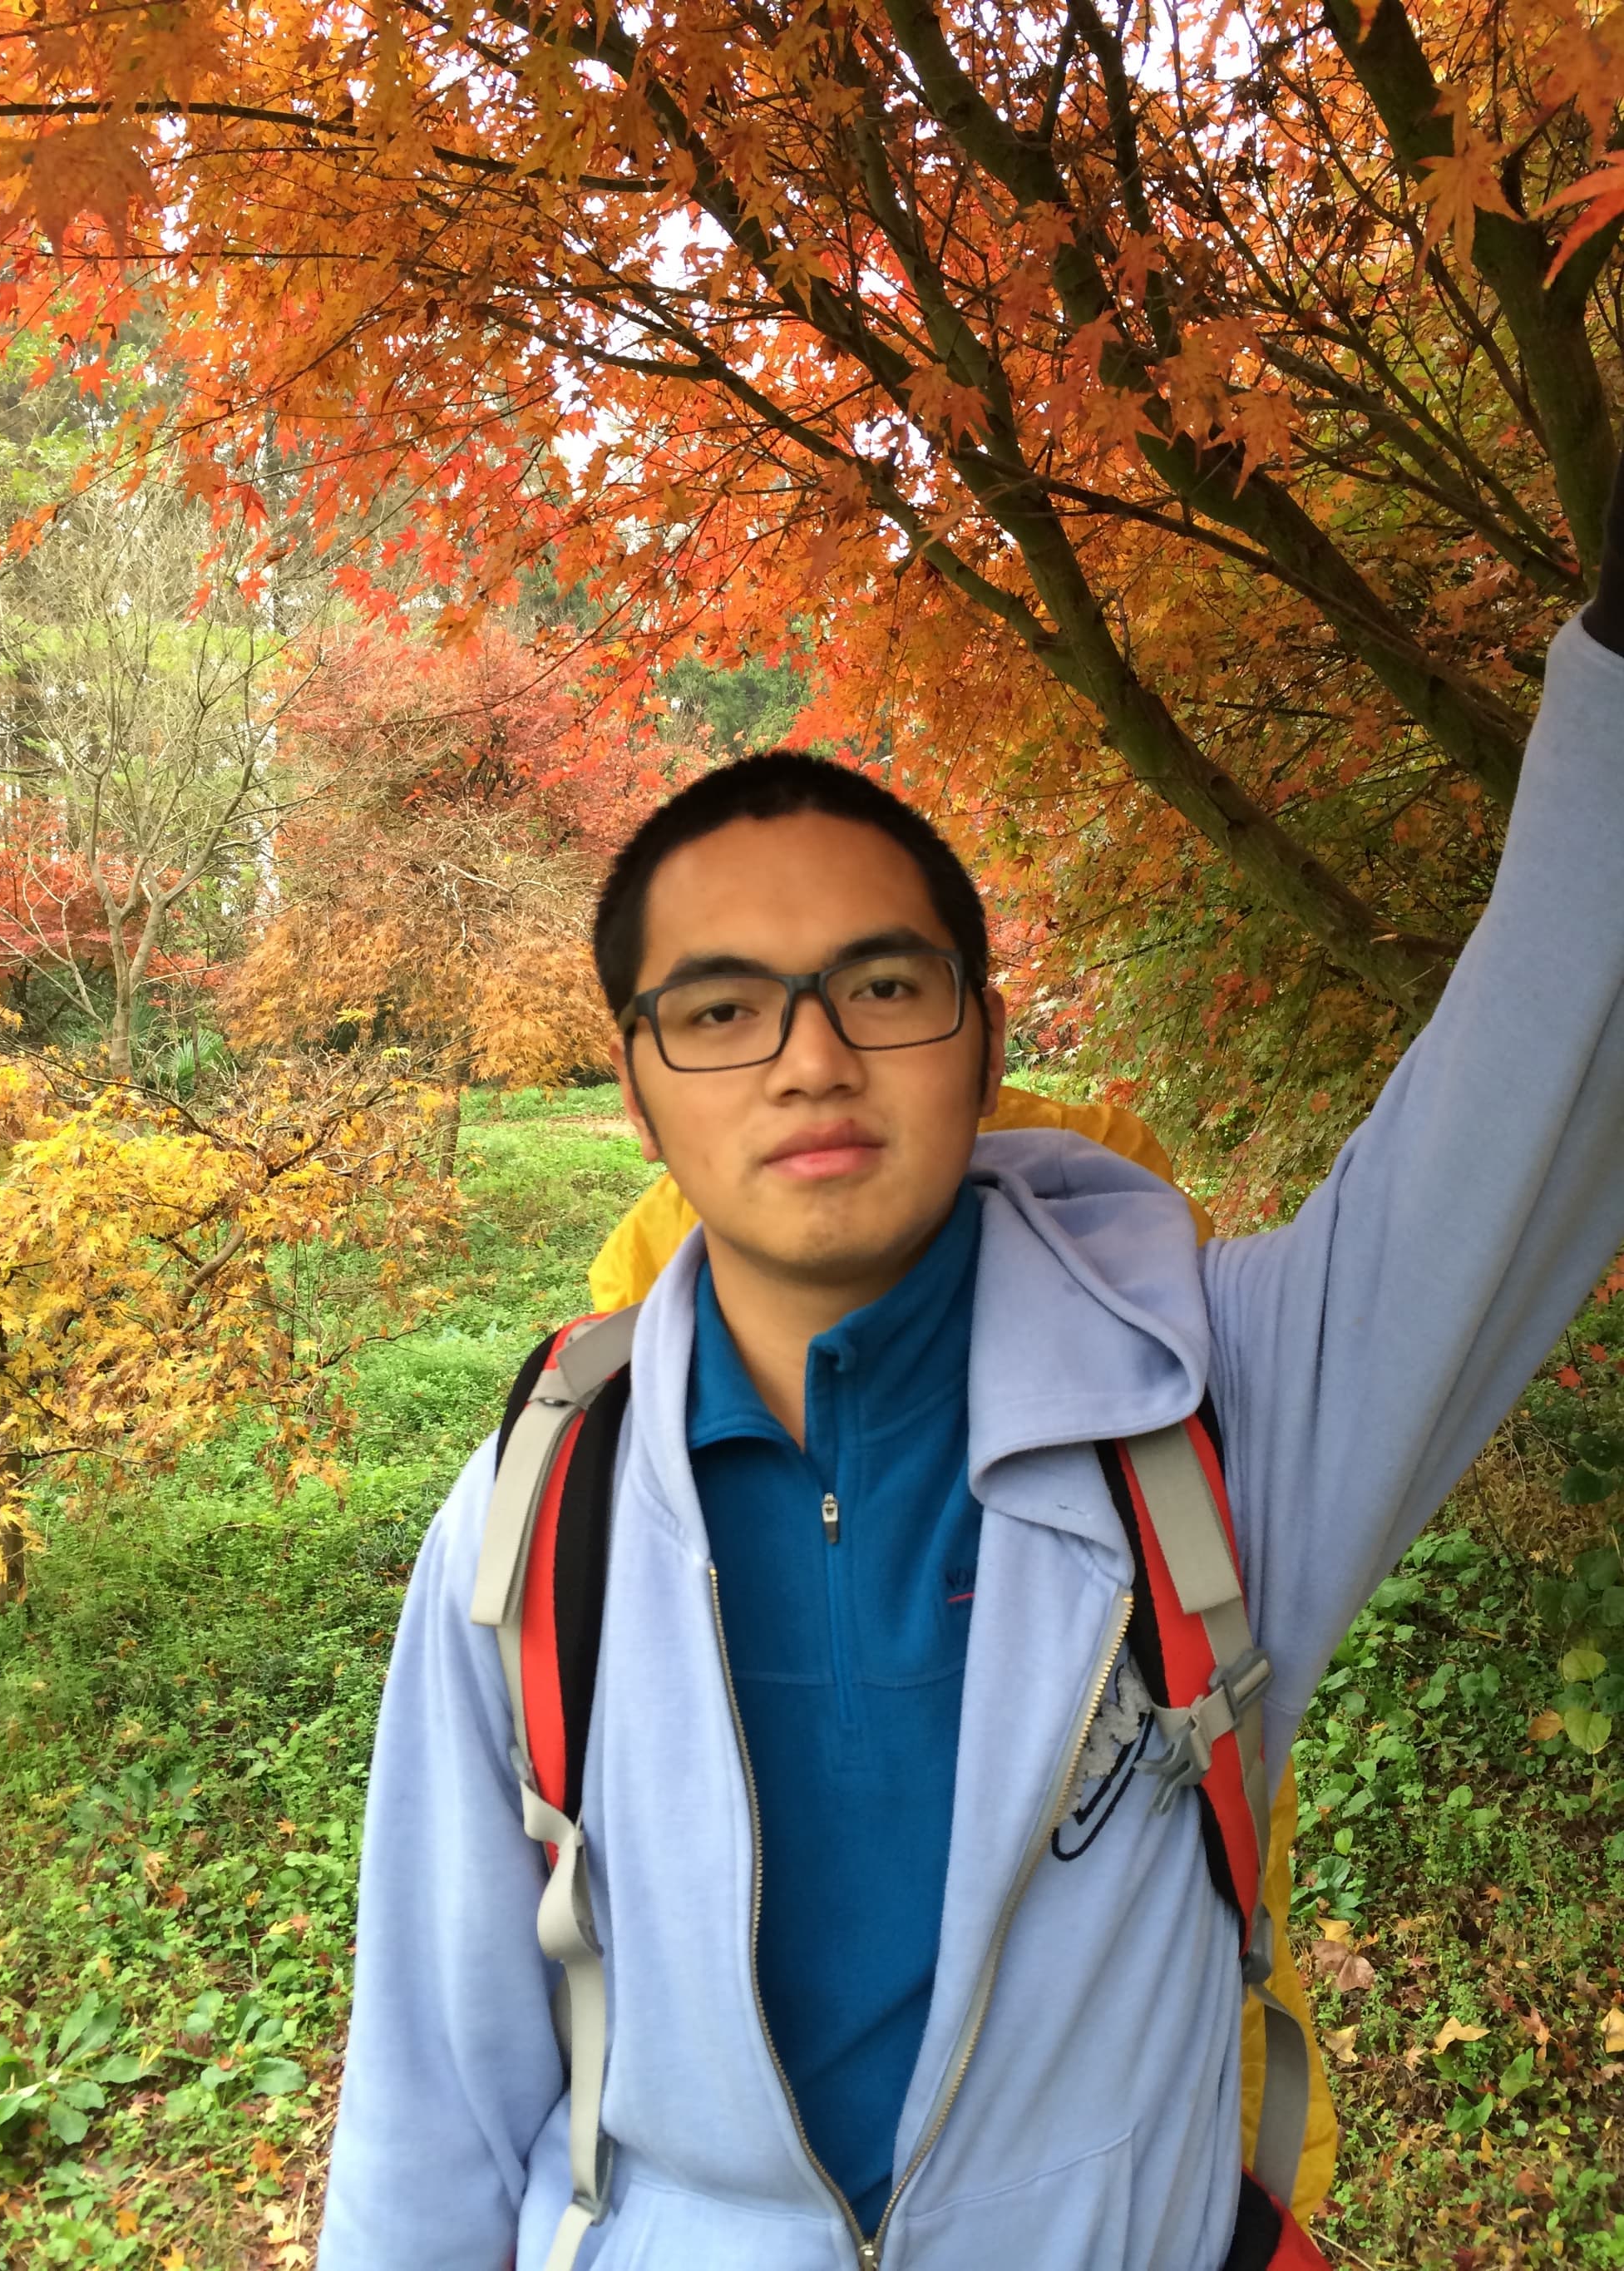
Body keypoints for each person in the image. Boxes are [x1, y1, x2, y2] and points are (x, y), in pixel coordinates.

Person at [318, 457, 1624, 2271]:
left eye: (882, 982)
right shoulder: (538, 1519)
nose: (809, 1058)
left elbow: (1537, 1098)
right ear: (634, 1086)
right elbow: (433, 2104)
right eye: (720, 1009)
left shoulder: (1206, 1421)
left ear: (981, 1037)